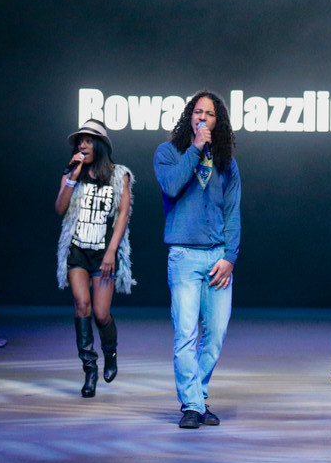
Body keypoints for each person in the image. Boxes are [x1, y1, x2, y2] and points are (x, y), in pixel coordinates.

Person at [153, 91, 240, 428]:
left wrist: (230, 257)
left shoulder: (227, 162)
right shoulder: (168, 153)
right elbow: (172, 186)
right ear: (190, 115)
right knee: (186, 333)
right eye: (198, 111)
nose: (203, 117)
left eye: (210, 114)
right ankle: (192, 405)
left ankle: (197, 397)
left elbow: (232, 213)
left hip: (218, 257)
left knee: (215, 334)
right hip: (184, 256)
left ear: (219, 122)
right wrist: (195, 149)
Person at [54, 120, 135, 398]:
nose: (82, 145)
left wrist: (111, 251)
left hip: (103, 254)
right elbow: (60, 208)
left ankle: (110, 353)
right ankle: (89, 369)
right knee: (81, 306)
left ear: (99, 145)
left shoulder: (119, 175)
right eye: (80, 141)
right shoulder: (71, 174)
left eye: (87, 141)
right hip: (77, 251)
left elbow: (123, 214)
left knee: (101, 314)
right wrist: (72, 176)